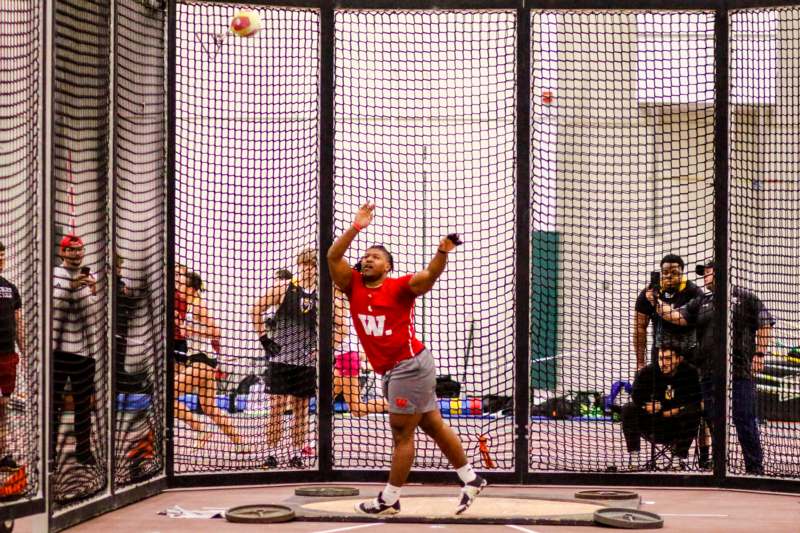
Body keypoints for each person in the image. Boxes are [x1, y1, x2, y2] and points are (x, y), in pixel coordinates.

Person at [327, 202, 486, 516]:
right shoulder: (352, 285)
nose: (368, 259)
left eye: (377, 257)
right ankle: (472, 478)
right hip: (395, 369)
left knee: (402, 433)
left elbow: (428, 277)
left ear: (388, 266)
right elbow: (333, 256)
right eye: (366, 255)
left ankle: (389, 499)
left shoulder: (400, 287)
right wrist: (356, 227)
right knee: (432, 424)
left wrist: (442, 252)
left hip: (409, 365)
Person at [650, 261, 774, 474]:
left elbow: (765, 324)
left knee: (743, 417)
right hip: (709, 371)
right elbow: (677, 317)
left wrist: (759, 354)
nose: (705, 276)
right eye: (704, 273)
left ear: (722, 272)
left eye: (708, 272)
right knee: (713, 417)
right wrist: (656, 302)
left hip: (739, 370)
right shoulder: (701, 301)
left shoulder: (745, 297)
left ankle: (755, 469)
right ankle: (720, 466)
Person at [251, 249, 318, 468]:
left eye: (312, 265)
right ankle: (271, 453)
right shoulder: (284, 288)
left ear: (318, 268)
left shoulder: (324, 293)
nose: (307, 269)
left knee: (301, 411)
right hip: (281, 359)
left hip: (306, 362)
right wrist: (264, 339)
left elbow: (336, 325)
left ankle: (296, 454)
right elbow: (256, 309)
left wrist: (323, 348)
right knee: (276, 408)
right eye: (304, 264)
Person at [173, 265, 245, 451]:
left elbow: (216, 332)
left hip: (201, 362)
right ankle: (240, 443)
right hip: (203, 362)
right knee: (209, 408)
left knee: (166, 397)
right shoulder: (190, 307)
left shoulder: (198, 306)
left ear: (191, 288)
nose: (178, 287)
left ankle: (200, 429)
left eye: (181, 284)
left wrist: (188, 329)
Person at [52, 233, 101, 465]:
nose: (76, 253)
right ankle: (51, 452)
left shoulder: (92, 276)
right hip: (59, 351)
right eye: (71, 250)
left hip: (84, 353)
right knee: (55, 403)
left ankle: (84, 451)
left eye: (79, 249)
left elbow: (95, 311)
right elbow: (57, 304)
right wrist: (74, 285)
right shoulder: (55, 274)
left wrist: (93, 290)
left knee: (83, 405)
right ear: (62, 252)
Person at [621, 344, 702, 470]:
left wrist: (667, 411)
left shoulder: (690, 373)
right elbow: (636, 397)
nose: (663, 363)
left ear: (679, 359)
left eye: (668, 359)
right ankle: (635, 459)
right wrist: (644, 406)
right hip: (652, 425)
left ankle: (677, 461)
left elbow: (695, 401)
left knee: (694, 412)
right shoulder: (647, 372)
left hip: (677, 425)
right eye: (660, 358)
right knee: (628, 408)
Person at [633, 254, 702, 370]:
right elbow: (639, 327)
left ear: (682, 273)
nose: (669, 276)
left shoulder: (693, 292)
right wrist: (640, 363)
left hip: (688, 355)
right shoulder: (649, 293)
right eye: (665, 272)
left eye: (674, 273)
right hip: (661, 356)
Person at [0, 243, 24, 470]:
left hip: (7, 357)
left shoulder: (10, 288)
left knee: (4, 405)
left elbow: (18, 322)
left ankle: (2, 455)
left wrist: (25, 353)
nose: (1, 259)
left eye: (2, 256)